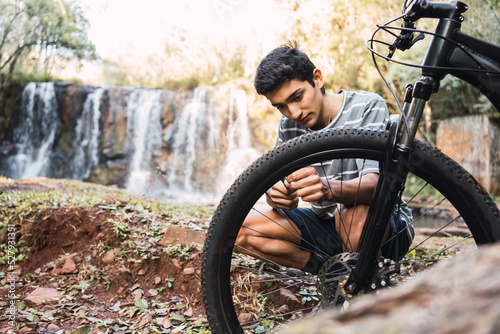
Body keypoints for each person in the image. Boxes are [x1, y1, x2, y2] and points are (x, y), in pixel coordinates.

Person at [235, 42, 414, 274]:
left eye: (297, 97)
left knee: (349, 214)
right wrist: (276, 196)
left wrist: (327, 190)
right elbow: (279, 186)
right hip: (326, 224)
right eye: (282, 107)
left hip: (380, 226)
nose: (294, 113)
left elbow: (378, 187)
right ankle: (331, 271)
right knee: (239, 231)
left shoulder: (366, 107)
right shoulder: (289, 126)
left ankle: (367, 283)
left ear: (317, 78)